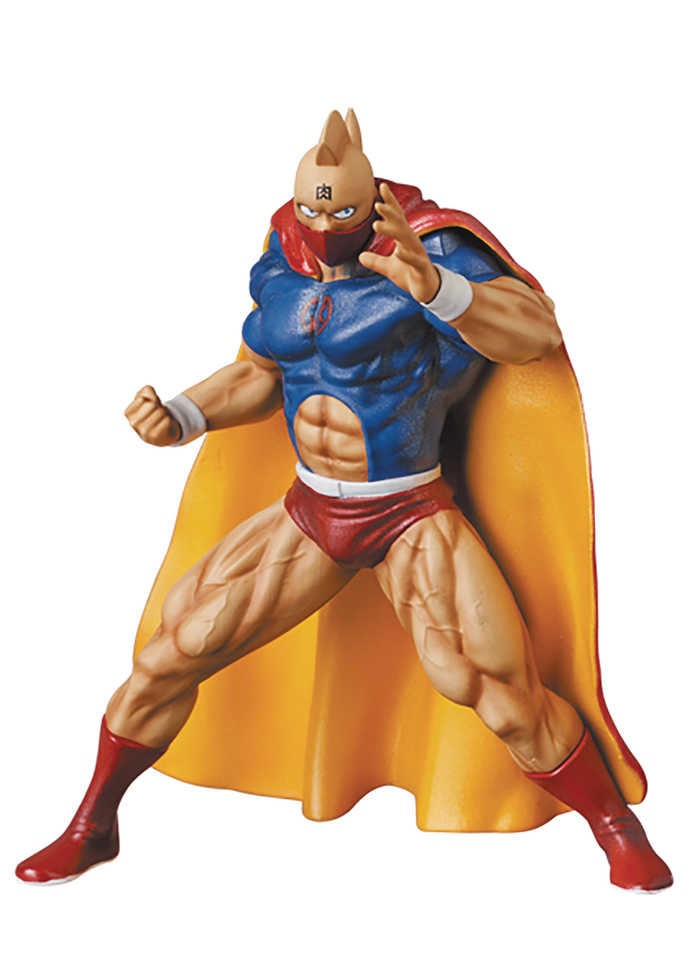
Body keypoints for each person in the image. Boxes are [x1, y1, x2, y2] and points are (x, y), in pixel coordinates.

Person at [16, 109, 672, 890]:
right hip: (311, 511)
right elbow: (259, 373)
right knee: (170, 654)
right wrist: (183, 414)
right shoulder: (282, 259)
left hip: (407, 510)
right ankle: (92, 824)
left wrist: (437, 289)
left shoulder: (432, 249)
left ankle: (615, 828)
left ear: (371, 202)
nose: (323, 228)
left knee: (490, 685)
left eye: (340, 212)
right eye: (310, 210)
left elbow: (532, 334)